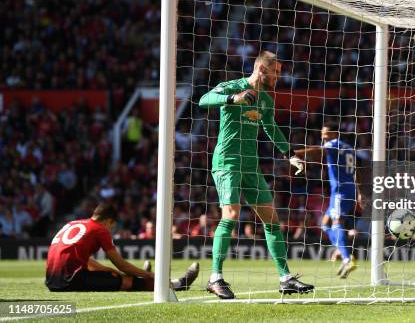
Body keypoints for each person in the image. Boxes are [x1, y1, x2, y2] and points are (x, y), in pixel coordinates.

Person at [198, 50, 313, 299]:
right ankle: (215, 277)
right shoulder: (233, 86)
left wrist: (289, 153)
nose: (279, 77)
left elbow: (271, 128)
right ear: (262, 69)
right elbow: (203, 100)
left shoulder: (266, 101)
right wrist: (233, 98)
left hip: (251, 165)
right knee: (231, 214)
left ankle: (285, 278)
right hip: (227, 161)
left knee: (272, 220)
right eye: (276, 72)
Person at [45, 203, 199, 292]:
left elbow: (83, 260)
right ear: (108, 221)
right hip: (69, 282)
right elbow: (121, 265)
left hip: (51, 281)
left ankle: (152, 277)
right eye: (111, 226)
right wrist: (149, 275)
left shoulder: (73, 223)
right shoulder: (100, 229)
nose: (110, 229)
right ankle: (178, 284)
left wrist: (106, 269)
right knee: (125, 281)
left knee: (113, 274)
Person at [294, 122, 359, 279]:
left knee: (337, 222)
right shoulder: (348, 147)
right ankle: (341, 249)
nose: (323, 137)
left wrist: (295, 152)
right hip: (346, 189)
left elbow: (317, 151)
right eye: (322, 134)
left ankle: (347, 258)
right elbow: (356, 170)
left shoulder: (333, 144)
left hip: (340, 191)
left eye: (326, 134)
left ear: (334, 134)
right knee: (325, 223)